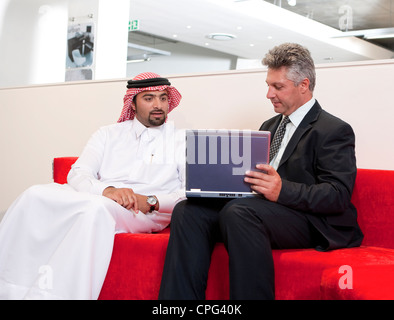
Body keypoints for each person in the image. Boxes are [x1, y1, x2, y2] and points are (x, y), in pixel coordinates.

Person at [158, 43, 364, 300]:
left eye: (278, 87)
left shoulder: (333, 129)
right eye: (268, 85)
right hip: (258, 211)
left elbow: (338, 195)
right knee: (188, 210)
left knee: (240, 212)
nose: (269, 94)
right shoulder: (269, 125)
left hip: (309, 221)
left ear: (304, 85)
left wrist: (282, 190)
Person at [0, 72, 185, 300]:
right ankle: (10, 288)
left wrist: (150, 200)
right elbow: (78, 172)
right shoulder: (108, 134)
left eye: (163, 97)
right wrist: (107, 191)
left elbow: (190, 192)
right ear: (133, 104)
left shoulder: (182, 140)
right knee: (34, 194)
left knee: (94, 210)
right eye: (149, 98)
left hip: (142, 210)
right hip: (102, 195)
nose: (158, 105)